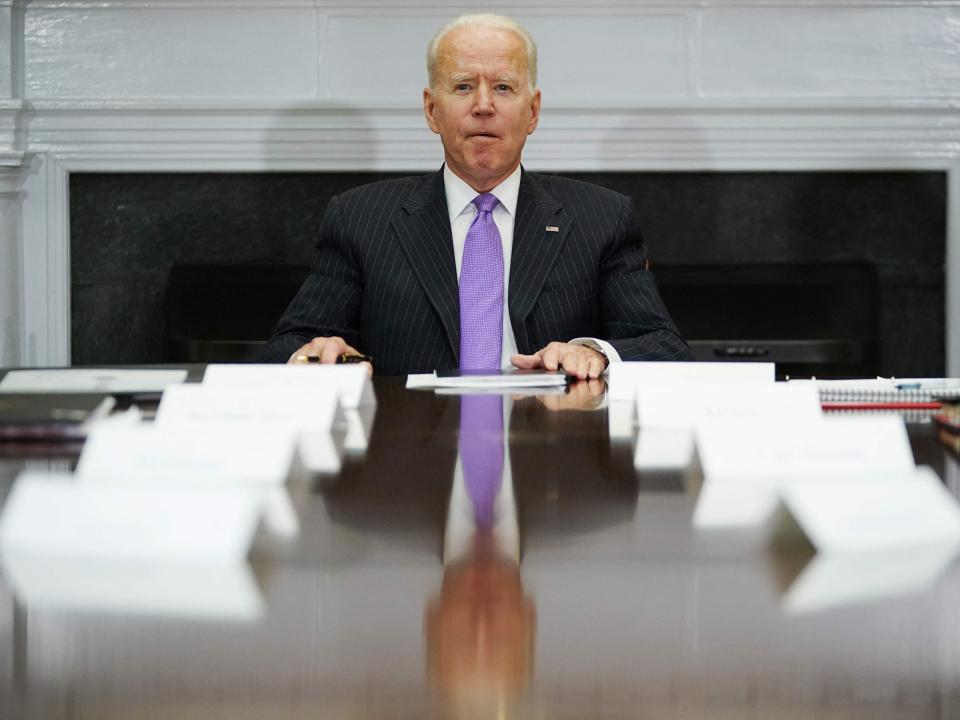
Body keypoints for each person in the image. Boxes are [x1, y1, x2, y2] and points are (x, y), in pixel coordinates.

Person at [261, 13, 690, 377]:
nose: (484, 105)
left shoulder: (601, 218)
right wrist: (318, 354)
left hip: (551, 454)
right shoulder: (359, 217)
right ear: (432, 110)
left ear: (533, 111)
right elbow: (289, 345)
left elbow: (664, 347)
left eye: (503, 87)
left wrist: (594, 354)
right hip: (409, 452)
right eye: (464, 86)